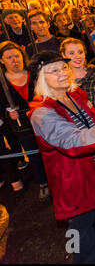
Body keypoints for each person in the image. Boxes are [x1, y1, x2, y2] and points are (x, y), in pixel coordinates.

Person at [27, 51, 95, 264]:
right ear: (41, 79)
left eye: (63, 68)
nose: (62, 73)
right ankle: (82, 260)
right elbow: (72, 141)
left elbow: (93, 124)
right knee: (80, 228)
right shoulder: (41, 113)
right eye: (53, 71)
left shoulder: (77, 95)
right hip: (73, 180)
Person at [0, 41, 49, 201]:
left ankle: (57, 178)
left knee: (50, 149)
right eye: (9, 57)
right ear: (2, 60)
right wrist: (8, 115)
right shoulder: (1, 82)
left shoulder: (33, 73)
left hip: (44, 119)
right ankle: (43, 183)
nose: (14, 60)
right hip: (21, 125)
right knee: (34, 154)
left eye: (17, 55)